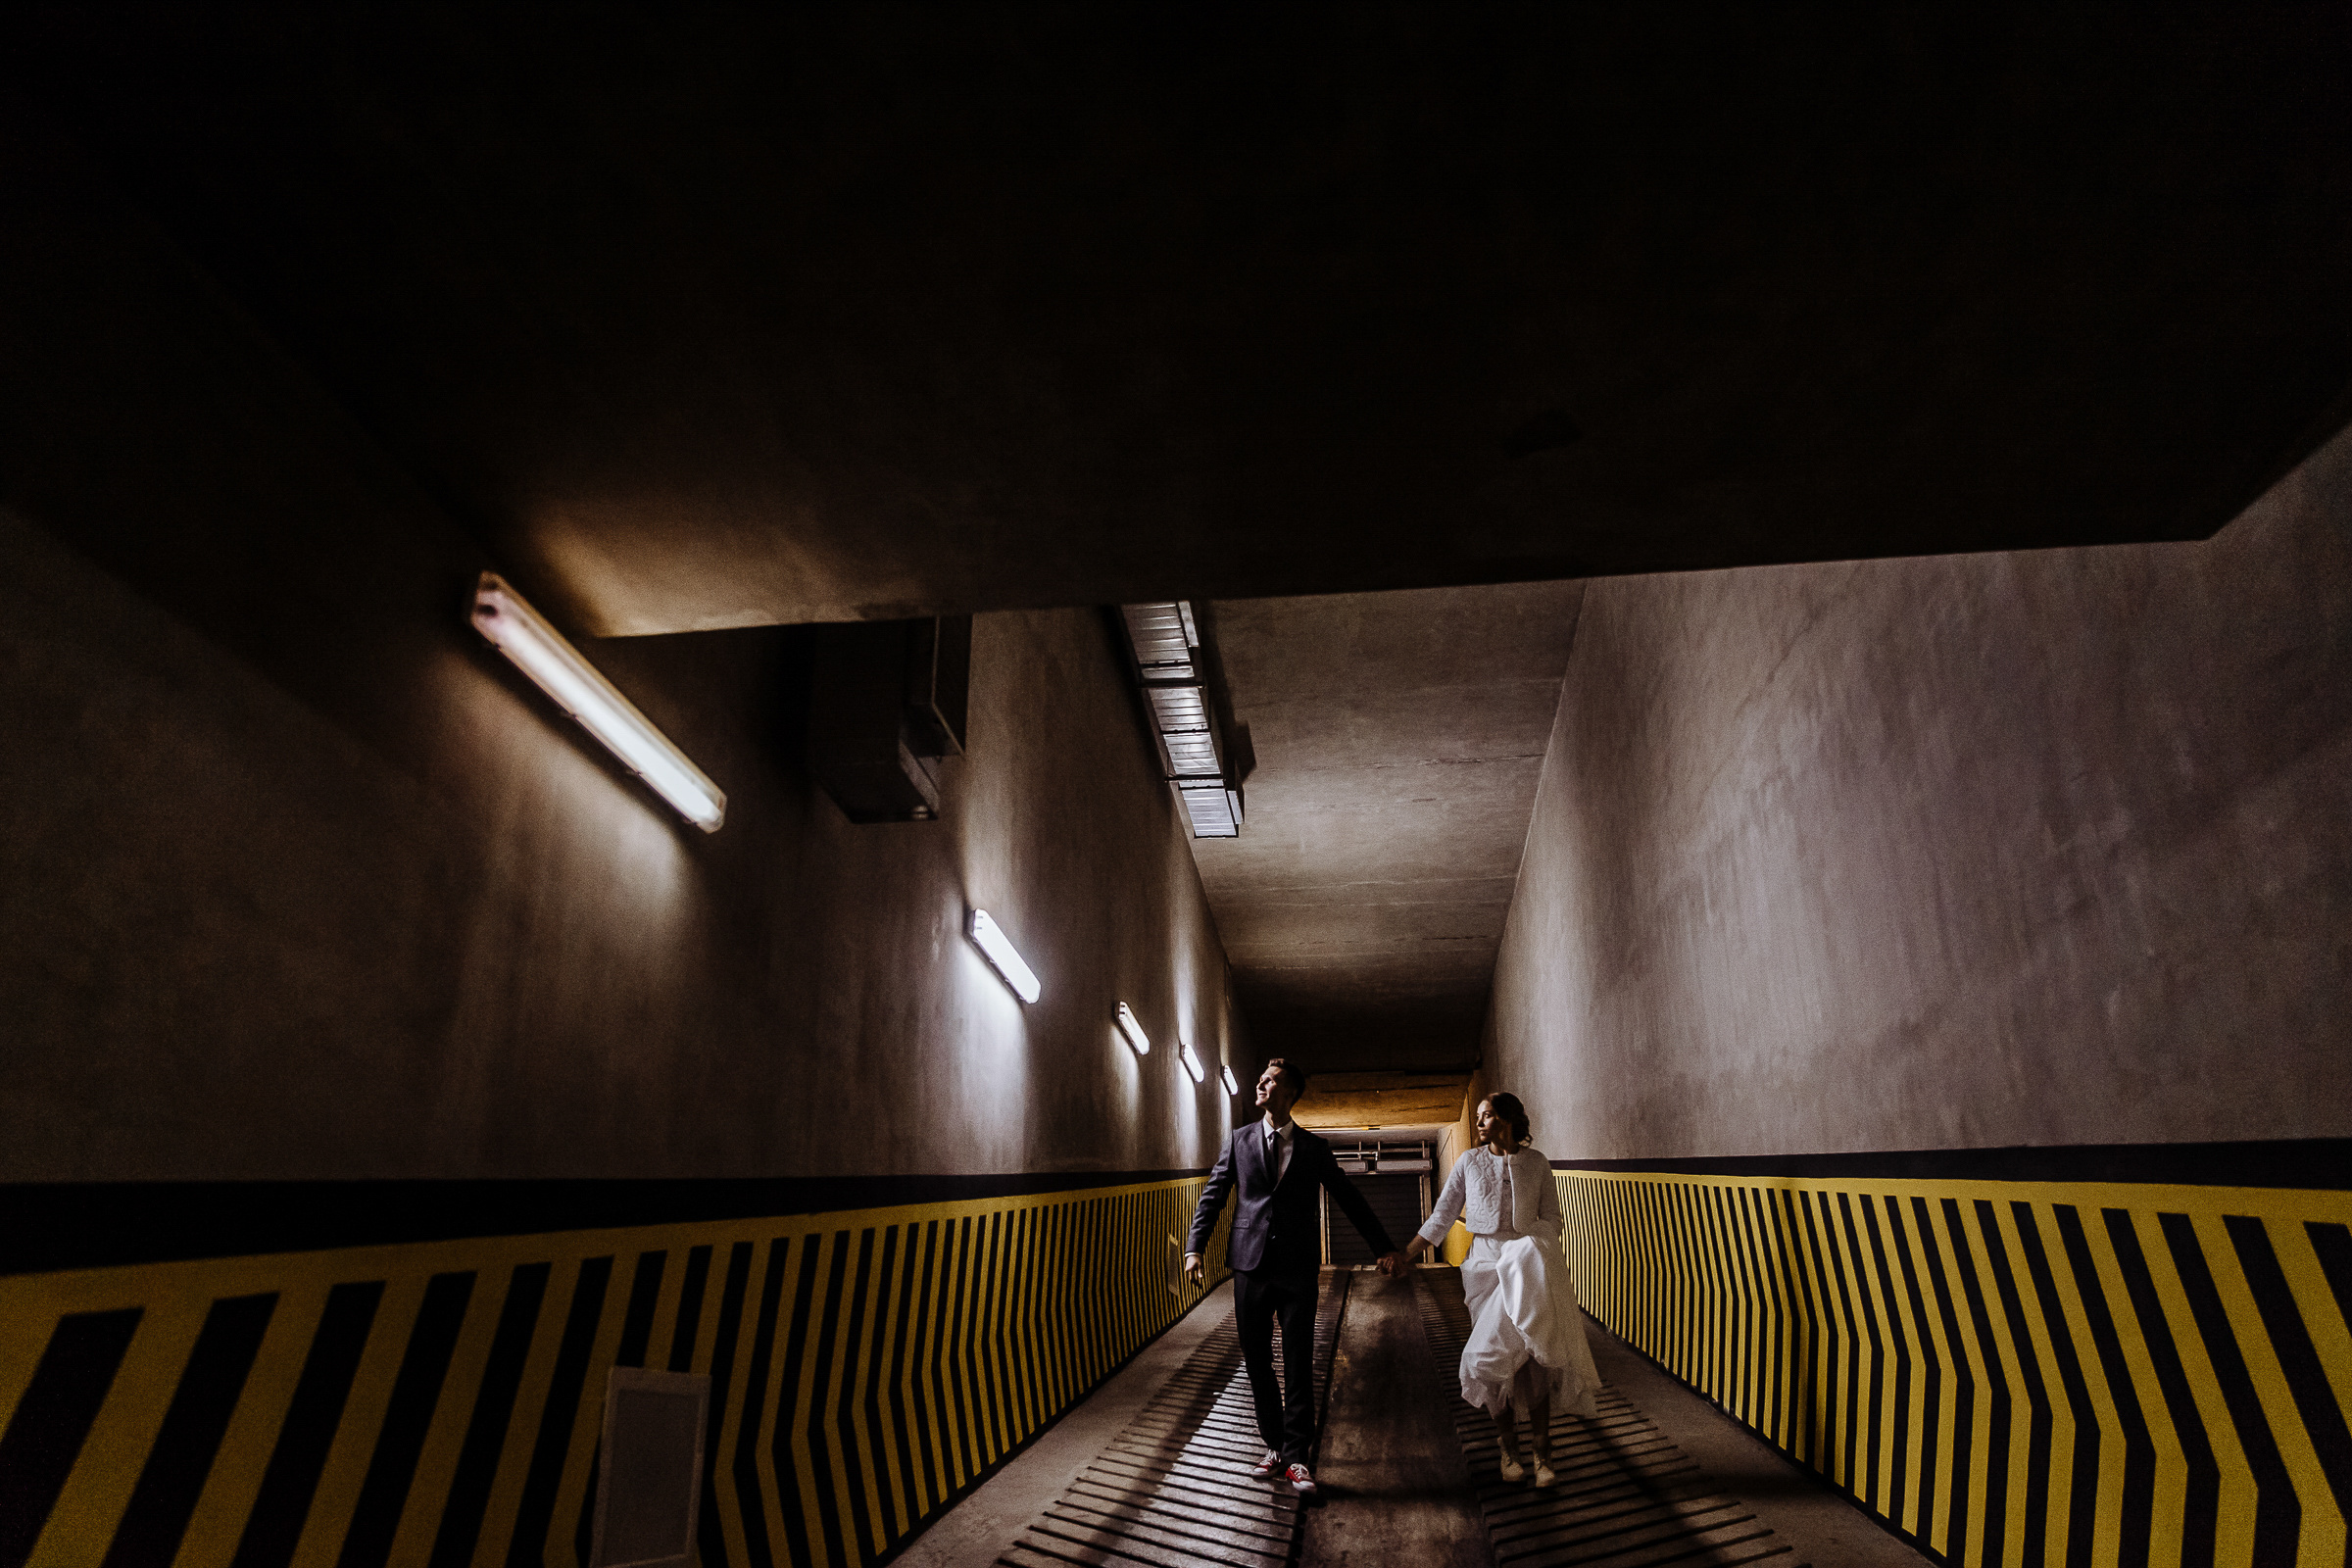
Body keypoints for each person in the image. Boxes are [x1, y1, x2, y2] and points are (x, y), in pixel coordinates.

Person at [1183, 1057, 1405, 1497]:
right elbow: (1213, 1196)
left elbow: (1349, 1198)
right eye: (1262, 1078)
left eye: (1271, 1081)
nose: (1261, 1083)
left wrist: (1383, 1247)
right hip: (1249, 1266)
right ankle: (1276, 1446)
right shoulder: (1239, 1141)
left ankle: (1298, 1456)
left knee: (1298, 1361)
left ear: (1289, 1095)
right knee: (1257, 1361)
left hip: (1297, 1269)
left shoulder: (1313, 1149)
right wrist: (1194, 1247)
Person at [1397, 1091, 1599, 1486]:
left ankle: (1543, 1456)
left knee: (1535, 1359)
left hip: (1527, 1267)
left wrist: (1529, 1246)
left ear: (1505, 1120)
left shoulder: (1537, 1163)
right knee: (1491, 1360)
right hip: (1484, 1267)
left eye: (1486, 1115)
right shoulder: (1469, 1161)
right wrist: (1407, 1255)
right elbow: (1443, 1214)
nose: (1479, 1123)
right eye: (1477, 1116)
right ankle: (1508, 1447)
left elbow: (1553, 1219)